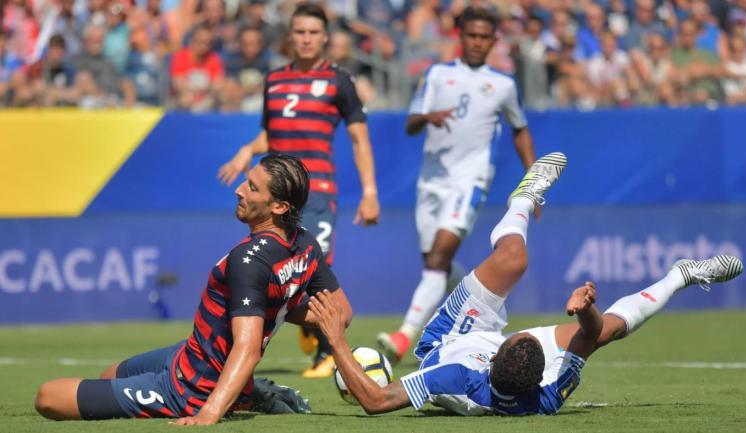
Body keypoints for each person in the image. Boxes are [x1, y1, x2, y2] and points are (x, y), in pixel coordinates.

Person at [311, 151, 745, 416]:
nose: (520, 331)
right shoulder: (548, 395)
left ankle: (522, 198)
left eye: (516, 337)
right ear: (543, 373)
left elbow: (375, 401)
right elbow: (589, 337)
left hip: (451, 338)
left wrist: (335, 341)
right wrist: (586, 311)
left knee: (513, 258)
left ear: (499, 352)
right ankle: (681, 275)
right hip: (498, 360)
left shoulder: (455, 374)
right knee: (607, 332)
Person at [34, 154, 353, 424]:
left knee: (48, 396)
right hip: (188, 354)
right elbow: (342, 313)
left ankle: (239, 397)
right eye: (246, 180)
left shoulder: (249, 260)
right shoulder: (305, 243)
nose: (239, 190)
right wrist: (283, 307)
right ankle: (249, 392)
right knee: (110, 374)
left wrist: (209, 412)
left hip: (190, 388)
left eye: (253, 188)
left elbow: (248, 348)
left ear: (280, 207)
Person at [218, 2, 380, 378]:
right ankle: (286, 335)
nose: (306, 39)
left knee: (317, 266)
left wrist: (370, 192)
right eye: (300, 32)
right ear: (290, 37)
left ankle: (326, 351)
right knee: (274, 268)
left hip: (318, 190)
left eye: (313, 33)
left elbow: (359, 139)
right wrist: (248, 148)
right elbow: (271, 133)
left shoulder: (339, 81)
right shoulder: (274, 81)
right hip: (277, 195)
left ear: (325, 38)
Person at [377, 6, 535, 363]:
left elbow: (520, 130)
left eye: (484, 37)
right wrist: (427, 117)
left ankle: (404, 337)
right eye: (471, 35)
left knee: (437, 259)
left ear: (494, 40)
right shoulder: (436, 75)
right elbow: (411, 124)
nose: (478, 42)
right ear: (460, 37)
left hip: (471, 180)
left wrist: (532, 182)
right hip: (431, 182)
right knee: (438, 265)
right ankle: (473, 316)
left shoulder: (504, 85)